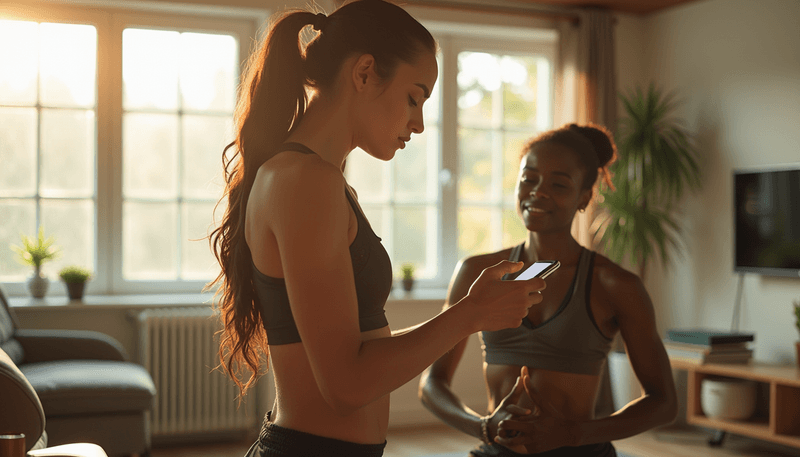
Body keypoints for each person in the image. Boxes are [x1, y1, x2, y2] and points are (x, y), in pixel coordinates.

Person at [207, 1, 546, 456]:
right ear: (365, 72)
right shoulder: (305, 181)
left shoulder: (316, 179)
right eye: (415, 96)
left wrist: (469, 309)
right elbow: (345, 385)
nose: (420, 124)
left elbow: (360, 348)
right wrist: (470, 315)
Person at [419, 123, 678, 457]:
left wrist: (572, 434)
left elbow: (664, 402)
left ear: (585, 196)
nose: (538, 192)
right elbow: (432, 384)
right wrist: (483, 427)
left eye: (558, 184)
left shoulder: (615, 286)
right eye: (529, 178)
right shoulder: (475, 273)